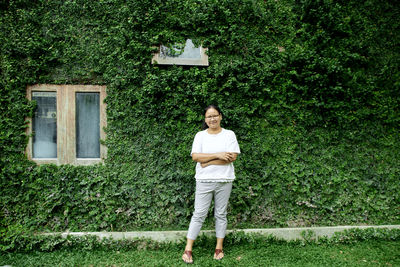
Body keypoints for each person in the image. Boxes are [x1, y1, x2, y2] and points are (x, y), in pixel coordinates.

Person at [182, 104, 240, 264]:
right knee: (199, 214)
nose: (212, 119)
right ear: (205, 119)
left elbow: (232, 157)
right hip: (204, 181)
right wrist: (218, 155)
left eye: (215, 115)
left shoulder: (229, 135)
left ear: (220, 116)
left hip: (224, 180)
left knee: (221, 214)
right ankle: (188, 249)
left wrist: (207, 161)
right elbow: (195, 157)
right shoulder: (200, 136)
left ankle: (219, 248)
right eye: (209, 116)